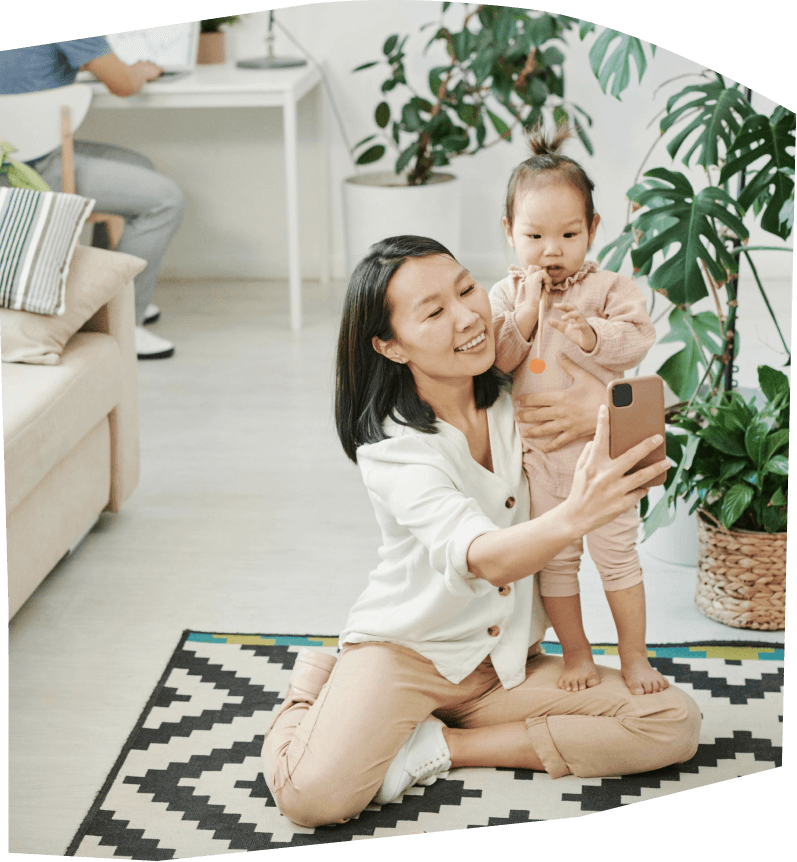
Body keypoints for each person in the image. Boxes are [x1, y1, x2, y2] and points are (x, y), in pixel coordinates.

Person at [261, 235, 701, 828]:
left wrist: (596, 404)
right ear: (390, 346)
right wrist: (576, 513)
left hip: (504, 667)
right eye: (435, 312)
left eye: (467, 289)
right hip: (406, 655)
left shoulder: (516, 393)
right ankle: (316, 686)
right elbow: (483, 557)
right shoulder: (392, 447)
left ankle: (442, 746)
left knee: (671, 723)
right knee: (311, 798)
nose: (469, 317)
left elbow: (640, 404)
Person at [490, 124, 667, 696]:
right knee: (556, 562)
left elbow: (637, 339)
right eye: (534, 235)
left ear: (592, 229)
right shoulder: (505, 294)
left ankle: (636, 656)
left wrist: (591, 335)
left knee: (617, 559)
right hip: (541, 463)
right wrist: (524, 315)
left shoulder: (609, 287)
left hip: (603, 455)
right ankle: (576, 653)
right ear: (509, 234)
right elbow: (496, 357)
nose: (551, 250)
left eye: (568, 234)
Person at [0, 37, 184, 359]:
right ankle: (125, 324)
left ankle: (102, 297)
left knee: (139, 167)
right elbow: (123, 84)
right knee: (164, 199)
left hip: (8, 155)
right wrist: (141, 70)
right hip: (30, 170)